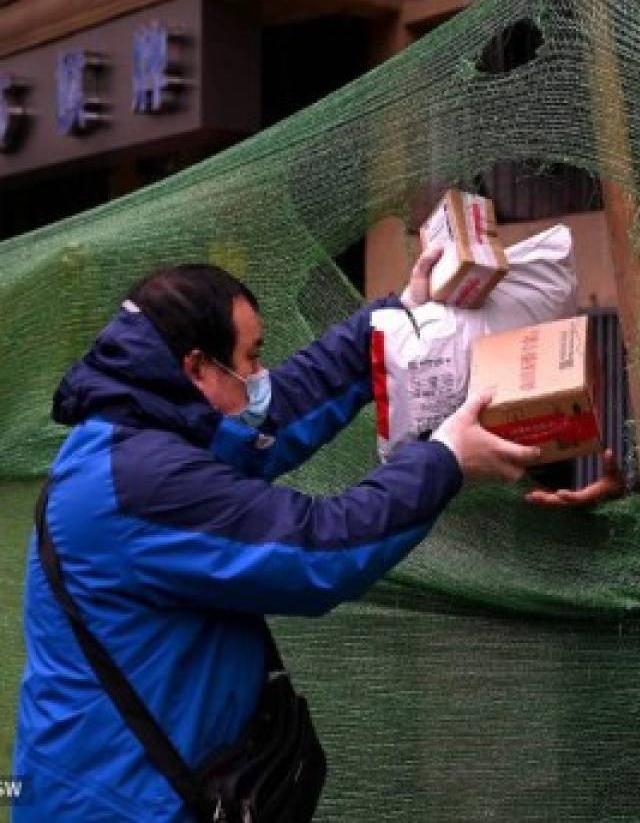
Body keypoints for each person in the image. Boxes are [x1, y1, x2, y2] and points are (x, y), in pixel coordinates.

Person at [12, 251, 539, 822]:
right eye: (251, 356)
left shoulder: (140, 433)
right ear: (195, 368)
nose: (262, 375)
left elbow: (269, 421)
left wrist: (394, 322)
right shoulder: (142, 480)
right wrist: (446, 460)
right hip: (122, 803)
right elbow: (320, 550)